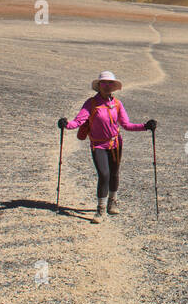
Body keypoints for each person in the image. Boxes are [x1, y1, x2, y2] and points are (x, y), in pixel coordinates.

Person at [58, 71, 156, 220]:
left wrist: (145, 126)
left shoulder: (117, 104)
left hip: (115, 143)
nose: (107, 86)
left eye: (110, 83)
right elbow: (78, 121)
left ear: (114, 87)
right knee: (104, 174)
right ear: (99, 85)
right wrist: (66, 124)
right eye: (104, 83)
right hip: (98, 145)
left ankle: (112, 202)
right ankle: (101, 209)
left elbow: (126, 125)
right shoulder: (91, 103)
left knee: (114, 174)